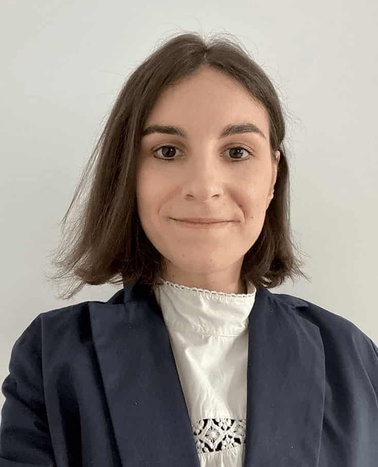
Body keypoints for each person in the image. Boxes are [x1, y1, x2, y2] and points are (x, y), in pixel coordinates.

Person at [0, 31, 377, 467]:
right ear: (129, 174)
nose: (203, 187)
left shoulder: (353, 358)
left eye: (237, 152)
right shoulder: (55, 358)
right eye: (167, 151)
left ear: (273, 176)